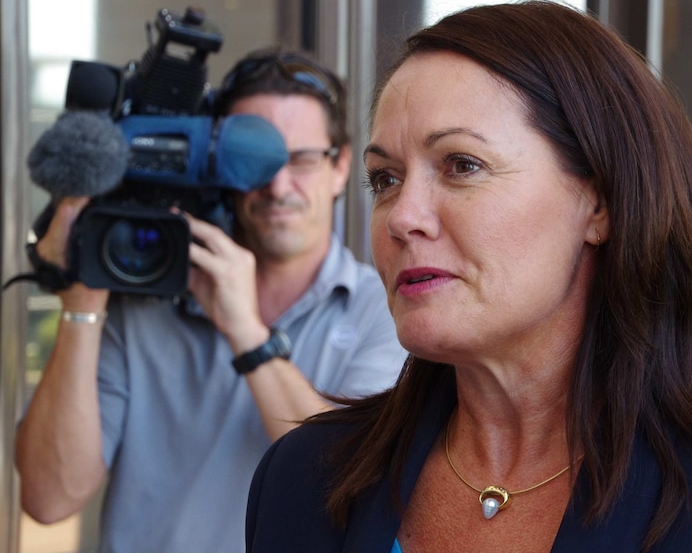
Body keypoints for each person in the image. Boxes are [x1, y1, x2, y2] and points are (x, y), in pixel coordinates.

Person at [243, 0, 692, 553]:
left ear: (599, 202)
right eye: (385, 179)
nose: (402, 217)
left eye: (461, 165)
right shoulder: (302, 479)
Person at [14, 47, 406, 553]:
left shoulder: (385, 311)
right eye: (251, 159)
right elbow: (49, 499)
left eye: (302, 160)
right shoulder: (148, 298)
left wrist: (246, 332)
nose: (276, 184)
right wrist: (81, 304)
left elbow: (349, 488)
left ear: (341, 166)